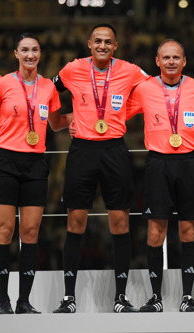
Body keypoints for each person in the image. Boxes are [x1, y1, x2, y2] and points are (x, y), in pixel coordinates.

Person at [51, 23, 149, 313]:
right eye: (98, 41)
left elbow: (155, 90)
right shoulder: (72, 69)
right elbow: (46, 89)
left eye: (108, 41)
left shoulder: (130, 70)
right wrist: (62, 120)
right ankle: (69, 298)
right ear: (89, 44)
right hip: (82, 150)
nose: (103, 45)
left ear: (115, 46)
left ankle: (120, 297)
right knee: (75, 223)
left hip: (115, 150)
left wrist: (124, 112)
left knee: (120, 223)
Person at [0, 33, 70, 315]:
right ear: (16, 53)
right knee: (4, 232)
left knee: (30, 233)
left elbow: (55, 124)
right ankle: (3, 301)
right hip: (4, 162)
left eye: (35, 50)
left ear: (40, 54)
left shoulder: (48, 88)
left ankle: (23, 301)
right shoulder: (3, 83)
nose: (30, 55)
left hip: (36, 164)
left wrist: (81, 117)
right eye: (25, 50)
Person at [125, 39, 194, 312]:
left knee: (189, 230)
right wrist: (74, 122)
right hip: (158, 163)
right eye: (166, 57)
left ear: (184, 61)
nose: (171, 62)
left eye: (176, 57)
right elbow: (118, 113)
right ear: (157, 61)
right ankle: (156, 298)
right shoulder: (144, 89)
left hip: (190, 162)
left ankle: (187, 297)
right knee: (156, 231)